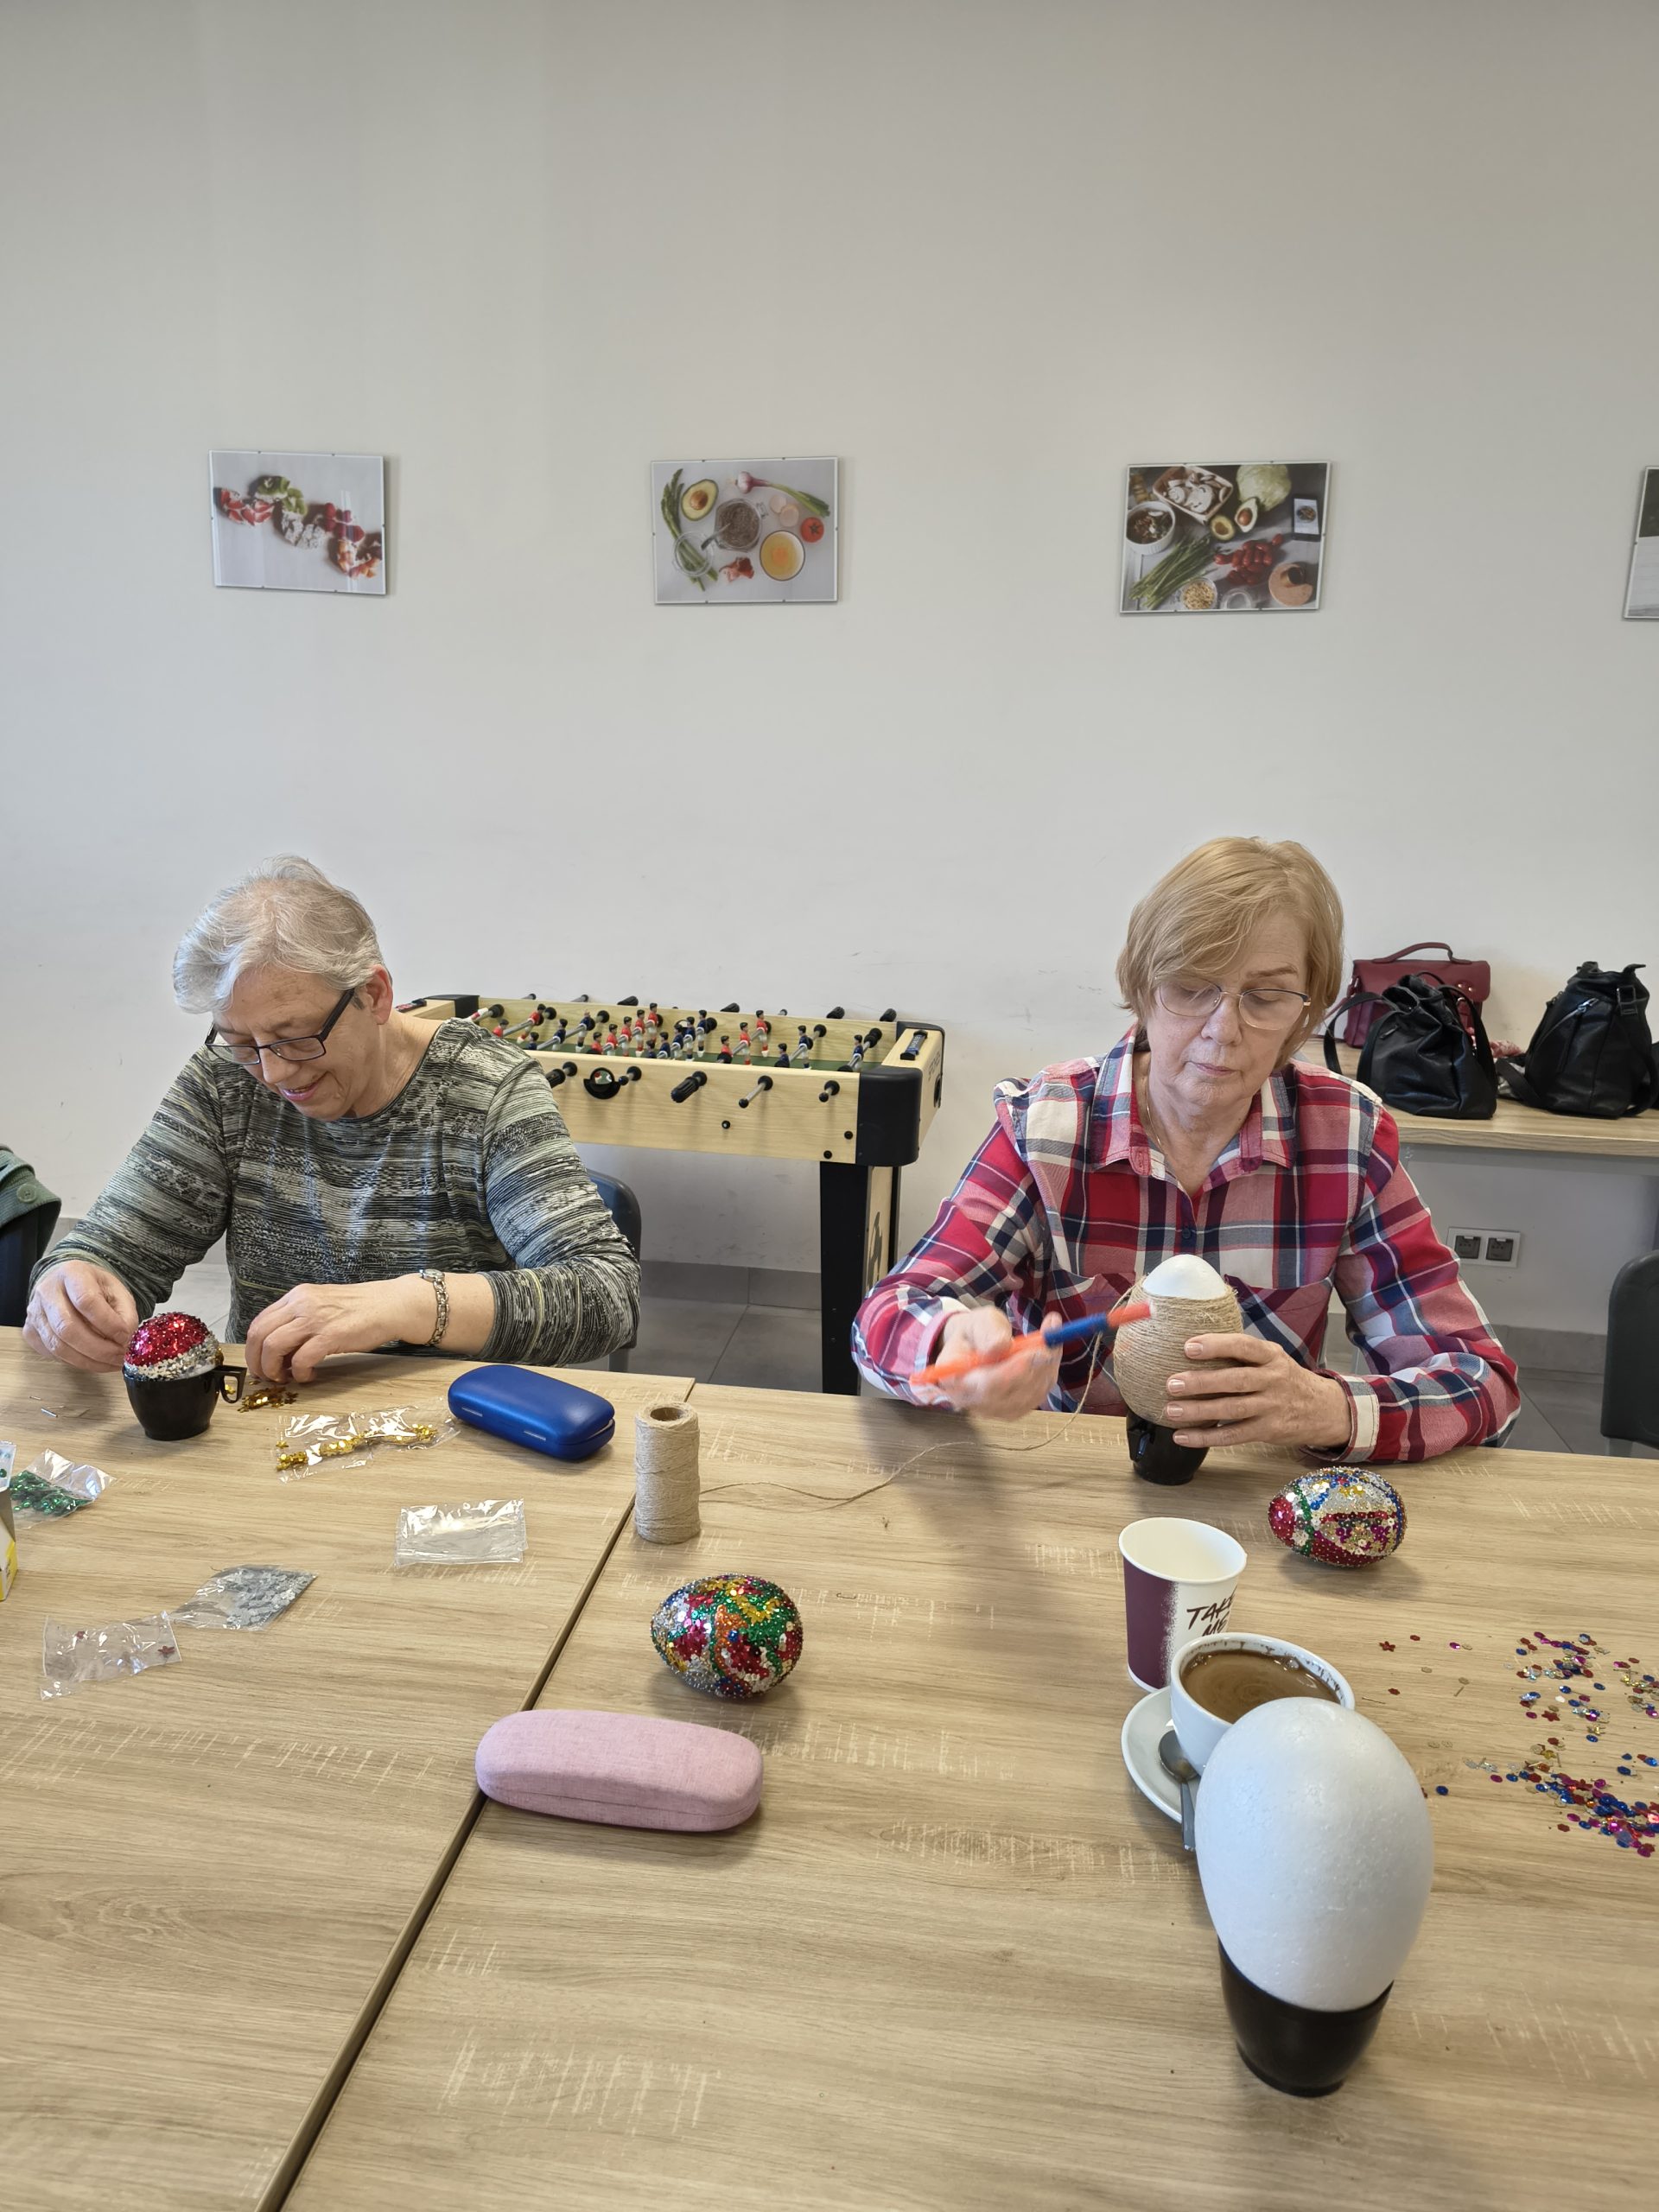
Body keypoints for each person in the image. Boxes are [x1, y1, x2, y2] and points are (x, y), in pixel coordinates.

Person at [853, 837, 1519, 1463]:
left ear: (1306, 1012)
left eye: (1265, 996)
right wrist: (949, 1344)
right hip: (1075, 1484)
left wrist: (1327, 1408)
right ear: (1144, 988)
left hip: (1259, 1495)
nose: (1222, 1030)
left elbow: (1481, 1378)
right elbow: (886, 1318)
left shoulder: (1346, 1136)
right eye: (1192, 988)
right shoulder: (1046, 1128)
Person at [25, 857, 639, 1380]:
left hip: (457, 1428)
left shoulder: (487, 1090)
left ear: (374, 995)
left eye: (295, 1036)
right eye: (241, 1042)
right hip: (275, 1416)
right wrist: (74, 1285)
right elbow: (113, 1248)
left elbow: (605, 1294)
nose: (273, 1072)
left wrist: (408, 1304)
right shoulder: (224, 1083)